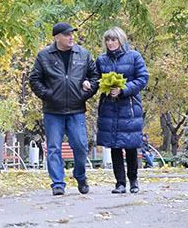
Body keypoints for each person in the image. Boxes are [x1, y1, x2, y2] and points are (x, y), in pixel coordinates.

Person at [30, 22, 100, 196]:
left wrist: (87, 89)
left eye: (72, 34)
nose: (71, 37)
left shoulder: (83, 54)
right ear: (57, 37)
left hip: (76, 110)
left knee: (81, 146)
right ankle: (58, 183)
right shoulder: (44, 56)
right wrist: (49, 95)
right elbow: (34, 80)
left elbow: (95, 76)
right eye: (67, 34)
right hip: (53, 111)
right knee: (54, 148)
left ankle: (80, 175)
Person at [95, 27, 149, 194]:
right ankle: (119, 183)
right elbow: (95, 78)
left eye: (114, 40)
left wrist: (123, 89)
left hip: (129, 107)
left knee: (131, 145)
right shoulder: (101, 60)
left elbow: (143, 78)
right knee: (115, 146)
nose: (110, 43)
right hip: (109, 107)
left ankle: (133, 180)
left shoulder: (134, 57)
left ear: (121, 40)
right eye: (108, 40)